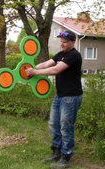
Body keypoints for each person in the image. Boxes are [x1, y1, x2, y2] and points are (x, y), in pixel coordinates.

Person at [26, 30, 83, 169]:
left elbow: (55, 70)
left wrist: (35, 72)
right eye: (61, 41)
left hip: (71, 97)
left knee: (66, 126)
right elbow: (46, 64)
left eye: (65, 42)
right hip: (60, 95)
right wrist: (29, 69)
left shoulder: (74, 55)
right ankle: (56, 151)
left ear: (72, 42)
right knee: (54, 124)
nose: (62, 44)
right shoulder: (61, 54)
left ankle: (66, 156)